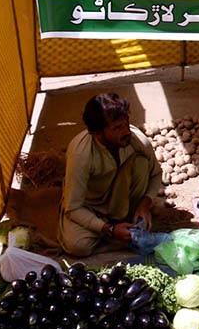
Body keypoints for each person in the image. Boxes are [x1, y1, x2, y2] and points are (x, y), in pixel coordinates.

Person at [58, 93, 161, 257]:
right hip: (91, 206)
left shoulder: (137, 140)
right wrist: (109, 229)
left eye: (126, 122)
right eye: (117, 128)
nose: (127, 131)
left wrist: (145, 203)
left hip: (123, 199)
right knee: (77, 246)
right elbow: (73, 208)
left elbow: (156, 174)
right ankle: (118, 235)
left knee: (141, 163)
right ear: (98, 133)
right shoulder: (81, 155)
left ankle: (126, 223)